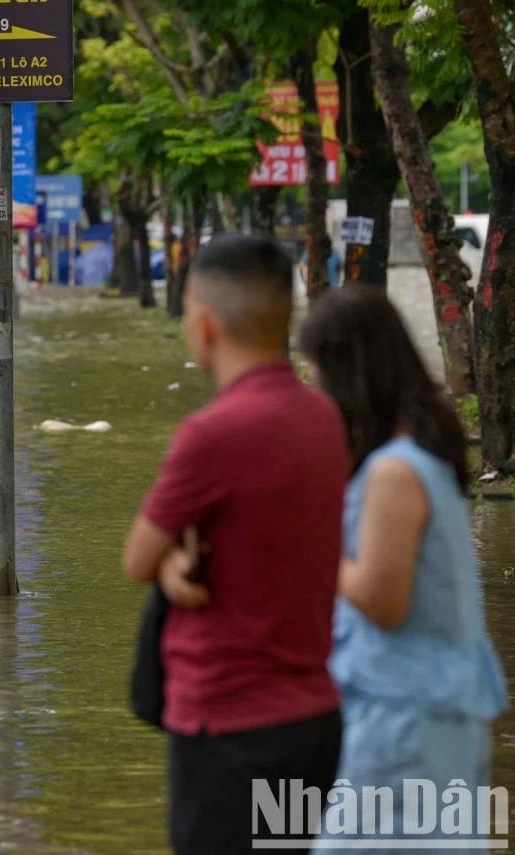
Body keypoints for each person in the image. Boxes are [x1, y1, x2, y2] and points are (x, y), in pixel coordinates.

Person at [123, 234, 348, 854]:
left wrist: (168, 559)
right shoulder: (326, 420)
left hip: (228, 725)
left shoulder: (211, 435)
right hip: (316, 716)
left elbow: (136, 559)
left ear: (202, 321)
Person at [299, 289, 507, 852]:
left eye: (317, 376)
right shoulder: (419, 455)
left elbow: (382, 600)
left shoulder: (394, 472)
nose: (315, 392)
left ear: (348, 372)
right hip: (431, 705)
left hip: (406, 717)